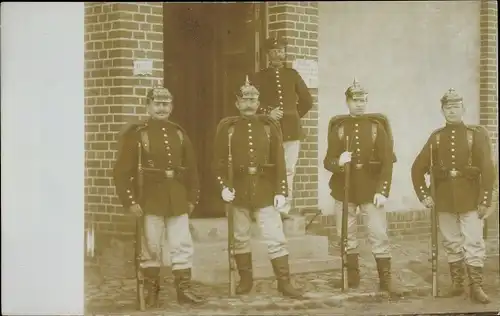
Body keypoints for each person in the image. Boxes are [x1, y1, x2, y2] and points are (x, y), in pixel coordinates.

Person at [113, 82, 204, 307]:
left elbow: (192, 169)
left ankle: (184, 291)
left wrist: (192, 198)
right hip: (150, 199)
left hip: (177, 197)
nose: (162, 108)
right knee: (151, 247)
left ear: (171, 107)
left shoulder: (179, 133)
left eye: (166, 104)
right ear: (148, 106)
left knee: (182, 244)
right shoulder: (137, 135)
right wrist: (130, 201)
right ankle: (151, 292)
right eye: (157, 104)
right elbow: (121, 172)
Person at [213, 76, 303, 298]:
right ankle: (245, 281)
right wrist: (223, 187)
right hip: (239, 190)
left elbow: (280, 161)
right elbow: (218, 163)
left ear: (259, 101)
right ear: (237, 103)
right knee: (240, 237)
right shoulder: (228, 128)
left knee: (275, 237)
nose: (249, 104)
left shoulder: (269, 127)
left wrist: (282, 191)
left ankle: (284, 282)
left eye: (253, 100)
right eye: (245, 100)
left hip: (265, 189)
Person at [411, 88, 494, 304]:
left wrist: (485, 200)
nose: (452, 111)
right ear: (442, 110)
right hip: (444, 198)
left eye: (456, 107)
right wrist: (424, 195)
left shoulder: (474, 135)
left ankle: (476, 286)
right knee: (451, 242)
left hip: (470, 197)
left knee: (474, 242)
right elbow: (417, 168)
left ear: (463, 109)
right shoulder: (436, 138)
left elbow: (487, 169)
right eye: (448, 107)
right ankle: (457, 285)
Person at [323, 79, 402, 295]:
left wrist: (383, 190)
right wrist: (339, 162)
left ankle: (385, 280)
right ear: (347, 101)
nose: (360, 104)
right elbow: (327, 161)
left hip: (371, 189)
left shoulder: (376, 128)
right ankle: (351, 277)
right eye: (355, 100)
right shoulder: (339, 129)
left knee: (378, 233)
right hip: (344, 189)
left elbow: (387, 162)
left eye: (363, 100)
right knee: (345, 236)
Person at [250, 35, 314, 216]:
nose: (279, 54)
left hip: (291, 131)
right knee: (265, 166)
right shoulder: (259, 76)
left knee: (288, 169)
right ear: (268, 54)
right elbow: (249, 101)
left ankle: (283, 209)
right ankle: (264, 207)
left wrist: (292, 115)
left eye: (282, 50)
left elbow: (307, 101)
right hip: (267, 130)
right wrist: (266, 113)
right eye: (275, 50)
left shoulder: (292, 75)